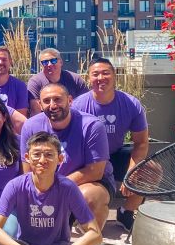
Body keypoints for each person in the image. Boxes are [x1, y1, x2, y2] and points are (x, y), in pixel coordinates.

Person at [20, 84, 114, 229]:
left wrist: (56, 188)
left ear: (70, 100)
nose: (52, 105)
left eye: (57, 99)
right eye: (46, 101)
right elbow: (28, 169)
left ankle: (91, 244)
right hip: (47, 183)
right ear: (39, 104)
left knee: (89, 196)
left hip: (89, 182)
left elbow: (96, 171)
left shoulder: (91, 126)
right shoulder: (31, 126)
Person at [72, 57, 149, 230]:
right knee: (89, 193)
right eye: (95, 74)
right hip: (89, 159)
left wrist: (132, 171)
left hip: (115, 153)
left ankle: (125, 213)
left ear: (114, 76)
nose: (101, 78)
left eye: (106, 73)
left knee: (152, 170)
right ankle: (81, 215)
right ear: (88, 78)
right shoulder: (78, 106)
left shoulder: (131, 104)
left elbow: (142, 142)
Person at [27, 48, 89, 116]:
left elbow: (86, 104)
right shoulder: (35, 82)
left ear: (61, 62)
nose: (49, 64)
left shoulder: (75, 79)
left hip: (73, 118)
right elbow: (35, 111)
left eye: (53, 60)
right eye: (45, 62)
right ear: (41, 65)